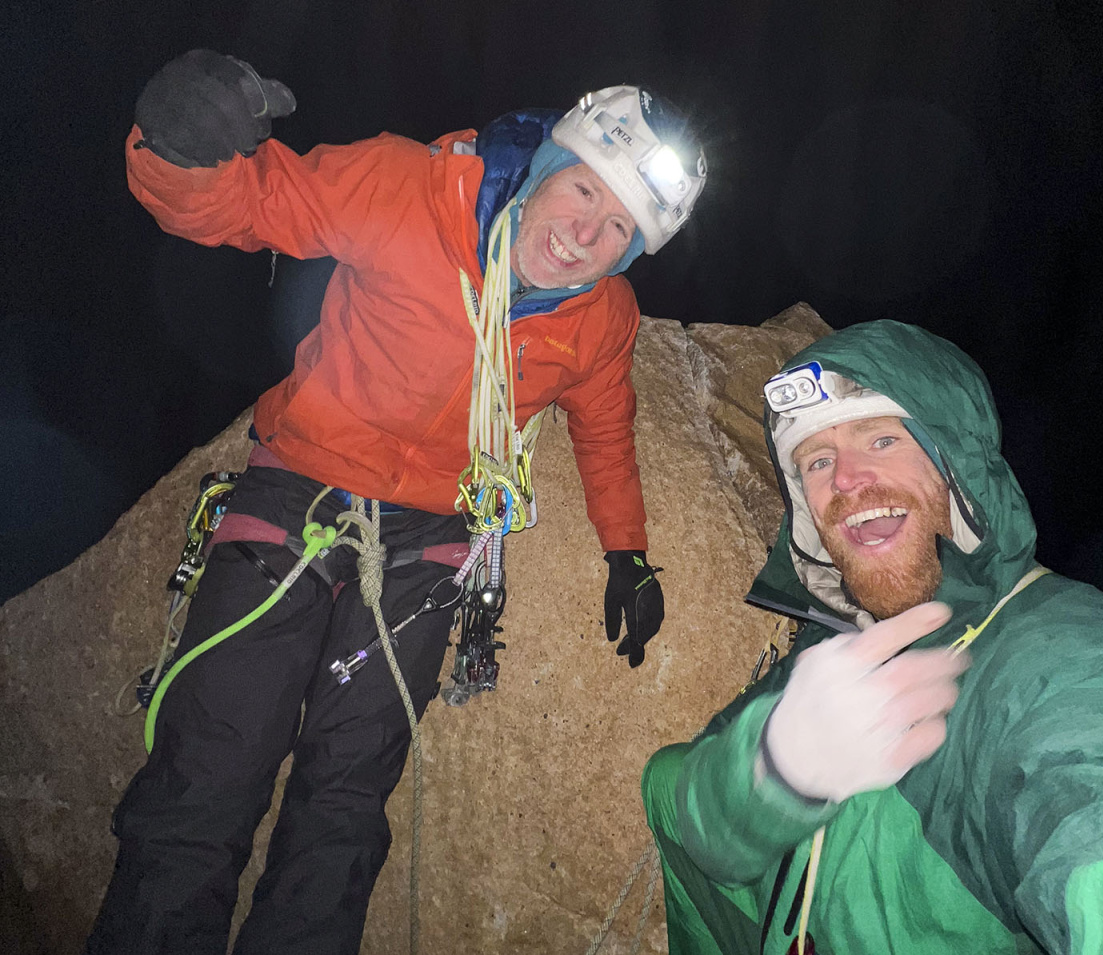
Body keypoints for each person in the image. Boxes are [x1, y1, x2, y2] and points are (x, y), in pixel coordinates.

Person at [88, 49, 706, 954]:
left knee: (344, 802)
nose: (586, 236)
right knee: (209, 771)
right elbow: (246, 202)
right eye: (584, 193)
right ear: (544, 167)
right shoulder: (408, 185)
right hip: (298, 488)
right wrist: (175, 143)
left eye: (621, 229)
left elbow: (604, 428)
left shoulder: (601, 317)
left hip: (432, 537)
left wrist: (627, 551)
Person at [642, 320, 1103, 954]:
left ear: (956, 467)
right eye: (818, 461)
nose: (846, 480)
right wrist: (774, 773)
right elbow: (685, 814)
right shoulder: (837, 644)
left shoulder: (1067, 663)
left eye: (881, 439)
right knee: (665, 777)